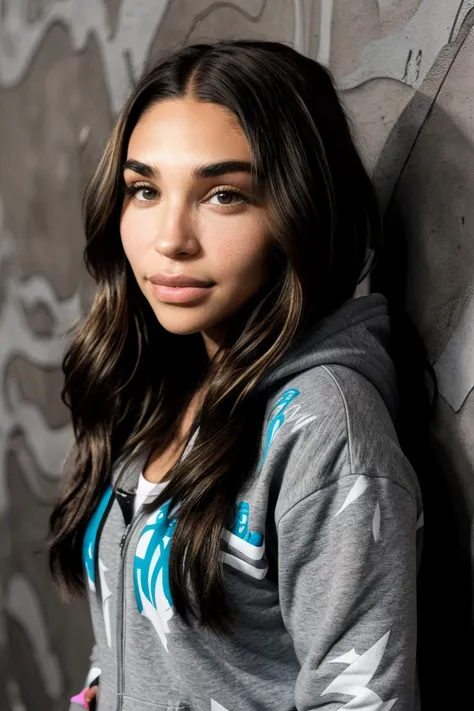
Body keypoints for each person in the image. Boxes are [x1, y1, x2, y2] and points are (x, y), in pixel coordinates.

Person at [49, 40, 423, 711]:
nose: (171, 238)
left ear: (298, 208)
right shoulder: (160, 380)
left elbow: (360, 700)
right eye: (144, 189)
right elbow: (126, 648)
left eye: (223, 194)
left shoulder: (322, 426)